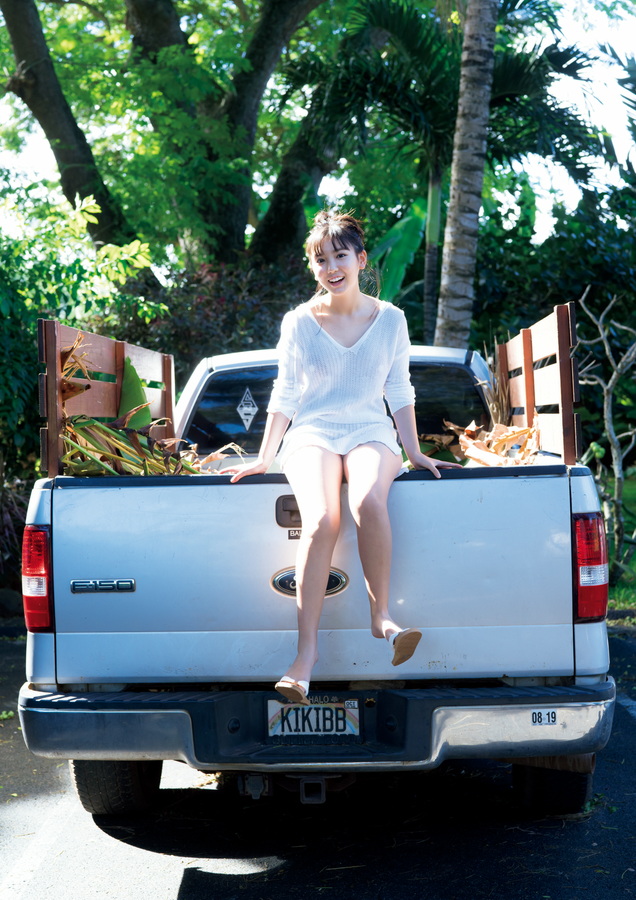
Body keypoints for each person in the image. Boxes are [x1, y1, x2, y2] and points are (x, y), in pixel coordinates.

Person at [221, 210, 460, 705]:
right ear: (313, 267)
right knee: (322, 519)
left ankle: (382, 617)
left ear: (361, 259)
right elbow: (286, 393)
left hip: (371, 431)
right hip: (313, 432)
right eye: (321, 259)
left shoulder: (391, 319)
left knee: (368, 501)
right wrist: (265, 456)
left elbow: (399, 389)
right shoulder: (299, 323)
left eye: (340, 256)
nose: (331, 267)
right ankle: (305, 656)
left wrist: (414, 451)